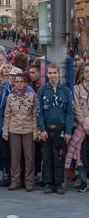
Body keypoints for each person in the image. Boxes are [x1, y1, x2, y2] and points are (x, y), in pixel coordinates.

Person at [37, 63, 74, 194]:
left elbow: (70, 113)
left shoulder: (66, 91)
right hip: (47, 129)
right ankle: (48, 183)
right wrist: (41, 129)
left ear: (59, 74)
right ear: (47, 75)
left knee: (59, 157)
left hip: (61, 129)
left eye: (54, 73)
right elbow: (39, 112)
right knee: (47, 157)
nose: (52, 76)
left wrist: (69, 131)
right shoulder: (42, 91)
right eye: (50, 73)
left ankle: (58, 184)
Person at [2, 73, 37, 191]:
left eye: (21, 81)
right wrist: (5, 131)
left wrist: (35, 131)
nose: (19, 84)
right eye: (17, 82)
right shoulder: (10, 97)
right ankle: (15, 181)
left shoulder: (32, 96)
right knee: (15, 158)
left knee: (29, 157)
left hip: (28, 130)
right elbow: (7, 115)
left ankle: (29, 182)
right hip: (14, 129)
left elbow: (34, 115)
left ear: (26, 83)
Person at [65, 116, 89, 192]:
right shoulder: (78, 131)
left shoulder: (79, 130)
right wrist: (67, 164)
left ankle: (84, 182)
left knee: (81, 169)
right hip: (80, 156)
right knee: (81, 169)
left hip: (83, 155)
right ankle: (84, 182)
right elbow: (72, 146)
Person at [73, 62, 89, 127]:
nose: (88, 74)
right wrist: (85, 124)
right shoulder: (77, 88)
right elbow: (76, 108)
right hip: (80, 126)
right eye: (86, 72)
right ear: (82, 73)